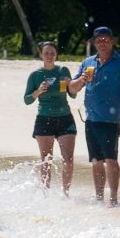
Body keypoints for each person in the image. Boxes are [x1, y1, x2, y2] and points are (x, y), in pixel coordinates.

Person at [70, 25, 120, 207]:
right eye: (99, 40)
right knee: (96, 161)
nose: (102, 43)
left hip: (111, 119)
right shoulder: (87, 63)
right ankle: (99, 197)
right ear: (94, 43)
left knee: (110, 159)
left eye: (106, 40)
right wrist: (82, 79)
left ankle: (113, 198)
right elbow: (72, 88)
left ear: (112, 41)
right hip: (91, 119)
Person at [24, 40, 78, 193]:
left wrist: (70, 85)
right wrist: (38, 92)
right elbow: (27, 100)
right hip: (44, 118)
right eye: (46, 53)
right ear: (40, 55)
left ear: (56, 55)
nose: (49, 56)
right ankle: (45, 193)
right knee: (46, 160)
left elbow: (73, 95)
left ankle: (65, 193)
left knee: (68, 159)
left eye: (52, 53)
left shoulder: (63, 70)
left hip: (65, 117)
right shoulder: (35, 75)